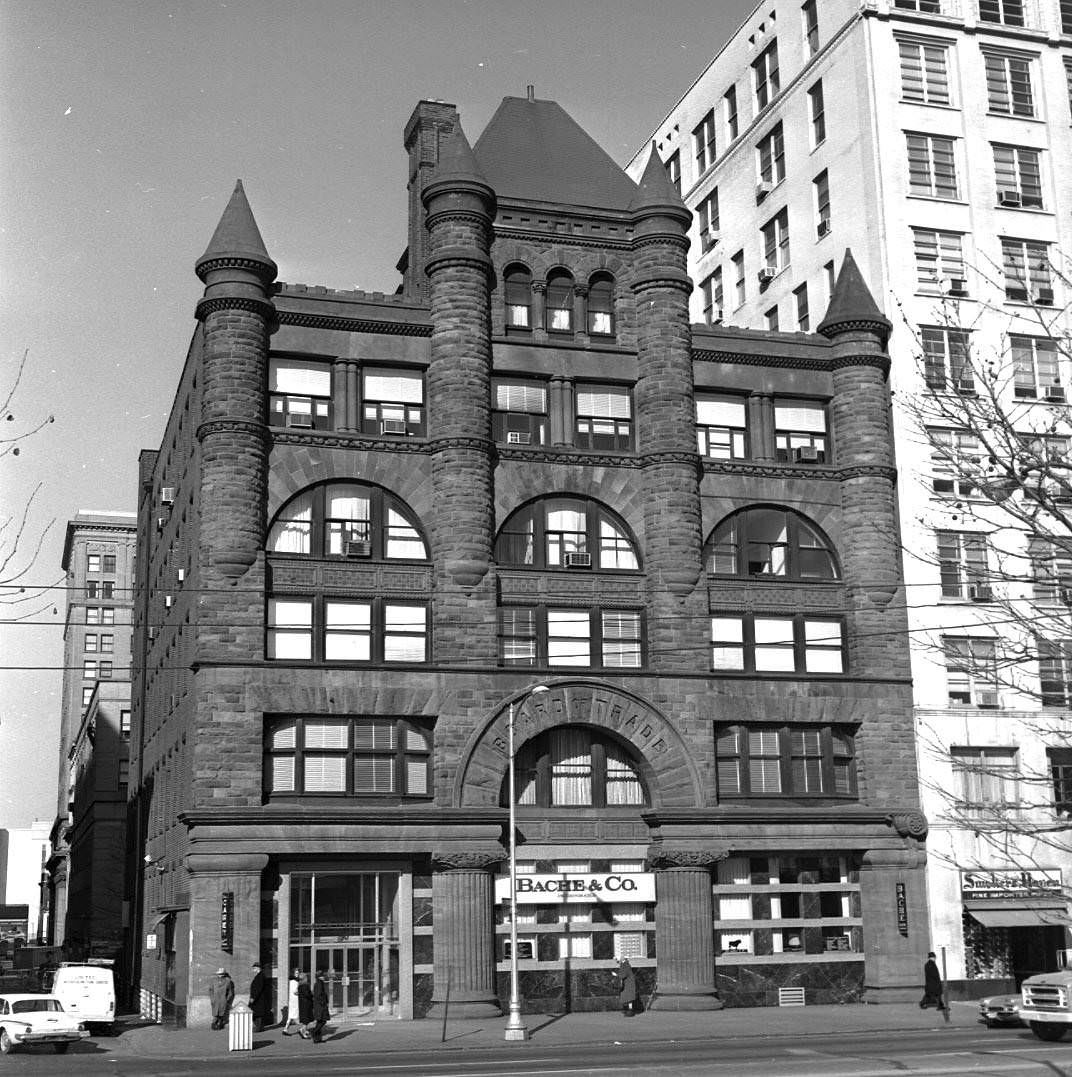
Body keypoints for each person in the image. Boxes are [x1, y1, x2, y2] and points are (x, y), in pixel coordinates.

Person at [308, 970, 330, 1042]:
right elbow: (319, 995)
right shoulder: (319, 984)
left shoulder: (319, 983)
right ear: (319, 977)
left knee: (319, 1021)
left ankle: (317, 1039)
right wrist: (324, 1002)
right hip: (320, 1006)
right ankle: (314, 1032)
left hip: (319, 1005)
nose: (324, 977)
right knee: (323, 1021)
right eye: (322, 976)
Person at [248, 961, 270, 1032]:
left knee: (257, 1013)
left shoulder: (260, 976)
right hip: (257, 998)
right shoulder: (259, 975)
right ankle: (259, 1027)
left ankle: (259, 1028)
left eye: (254, 968)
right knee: (257, 1013)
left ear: (258, 968)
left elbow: (258, 988)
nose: (253, 969)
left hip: (258, 999)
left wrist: (253, 998)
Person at [282, 968, 302, 1035]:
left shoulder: (291, 980)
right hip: (295, 1000)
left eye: (298, 973)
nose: (297, 974)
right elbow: (295, 992)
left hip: (292, 1000)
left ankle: (285, 1029)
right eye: (296, 973)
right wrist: (302, 993)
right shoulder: (295, 981)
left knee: (291, 1016)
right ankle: (302, 1029)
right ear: (293, 973)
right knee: (296, 1016)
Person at [297, 972, 314, 1039]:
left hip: (302, 1004)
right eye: (306, 977)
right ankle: (302, 1031)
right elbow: (307, 994)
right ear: (304, 978)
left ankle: (305, 1030)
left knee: (305, 1019)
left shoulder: (299, 985)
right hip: (306, 1004)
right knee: (307, 1019)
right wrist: (312, 993)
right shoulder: (305, 985)